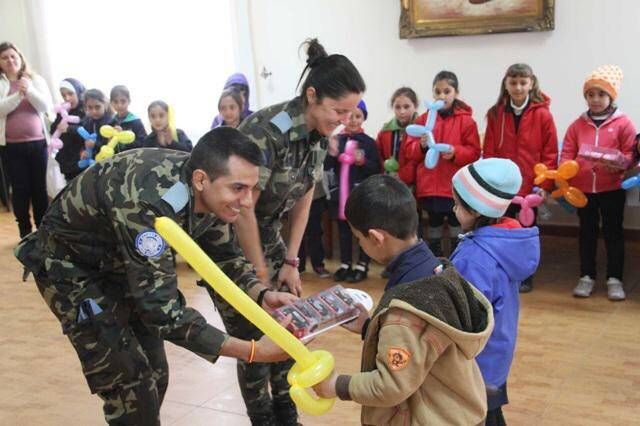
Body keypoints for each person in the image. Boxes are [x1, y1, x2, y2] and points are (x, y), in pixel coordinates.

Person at [14, 127, 296, 426]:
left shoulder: (209, 191)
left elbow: (225, 257)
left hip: (122, 264)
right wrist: (254, 351)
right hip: (71, 268)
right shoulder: (149, 204)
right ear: (201, 179)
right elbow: (164, 314)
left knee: (156, 373)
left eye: (251, 188)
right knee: (131, 384)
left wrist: (262, 295)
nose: (248, 201)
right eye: (238, 188)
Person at [205, 38, 365, 425]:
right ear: (312, 95)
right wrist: (259, 276)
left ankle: (286, 414)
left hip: (270, 239)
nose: (344, 119)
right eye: (338, 110)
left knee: (292, 331)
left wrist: (291, 260)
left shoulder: (317, 136)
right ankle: (264, 418)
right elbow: (241, 208)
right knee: (256, 341)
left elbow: (306, 193)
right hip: (230, 243)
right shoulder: (266, 132)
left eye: (351, 112)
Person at [313, 174, 494, 425]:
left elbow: (390, 385)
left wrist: (337, 385)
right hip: (456, 411)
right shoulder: (438, 270)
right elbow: (422, 345)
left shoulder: (405, 312)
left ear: (376, 237)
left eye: (359, 238)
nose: (360, 244)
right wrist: (368, 327)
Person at [450, 158, 541, 425]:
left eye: (457, 204)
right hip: (496, 358)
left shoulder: (475, 256)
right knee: (490, 414)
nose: (453, 209)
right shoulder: (505, 242)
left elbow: (462, 317)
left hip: (474, 365)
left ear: (476, 210)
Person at [560, 65, 637, 301]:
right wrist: (569, 170)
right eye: (590, 95)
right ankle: (587, 276)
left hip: (612, 189)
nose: (595, 99)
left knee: (614, 233)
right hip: (583, 191)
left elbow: (632, 155)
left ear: (611, 96)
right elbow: (566, 156)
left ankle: (615, 278)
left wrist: (619, 162)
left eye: (601, 94)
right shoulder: (576, 125)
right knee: (587, 233)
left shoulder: (624, 124)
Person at [482, 63, 558, 293]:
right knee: (501, 228)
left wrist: (543, 184)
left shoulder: (543, 115)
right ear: (506, 84)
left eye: (522, 83)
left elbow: (550, 153)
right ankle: (503, 269)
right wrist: (490, 183)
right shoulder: (495, 114)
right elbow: (490, 150)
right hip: (502, 186)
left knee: (525, 232)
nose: (518, 87)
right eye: (513, 82)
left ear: (531, 83)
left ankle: (525, 274)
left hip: (530, 187)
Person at [403, 71, 481, 256]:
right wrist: (421, 147)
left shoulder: (467, 121)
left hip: (455, 186)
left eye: (447, 91)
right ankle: (436, 260)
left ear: (456, 92)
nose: (442, 96)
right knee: (434, 223)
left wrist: (455, 153)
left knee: (457, 223)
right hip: (430, 186)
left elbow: (474, 152)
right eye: (437, 92)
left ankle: (457, 258)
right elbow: (409, 152)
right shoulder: (423, 119)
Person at [0, 41, 54, 237]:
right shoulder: (1, 84)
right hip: (11, 148)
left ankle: (42, 231)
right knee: (20, 191)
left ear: (20, 58)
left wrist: (28, 90)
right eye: (4, 57)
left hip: (38, 144)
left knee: (39, 189)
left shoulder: (35, 79)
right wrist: (18, 95)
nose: (10, 60)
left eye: (13, 56)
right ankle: (25, 231)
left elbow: (44, 106)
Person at [326, 99, 380, 282]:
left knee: (362, 231)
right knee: (343, 230)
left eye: (358, 116)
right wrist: (331, 154)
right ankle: (345, 264)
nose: (354, 120)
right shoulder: (337, 140)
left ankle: (362, 264)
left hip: (361, 196)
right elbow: (328, 167)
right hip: (340, 196)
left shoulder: (369, 143)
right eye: (350, 115)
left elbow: (375, 169)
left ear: (364, 118)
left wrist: (363, 161)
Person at [374, 86, 419, 184]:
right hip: (388, 182)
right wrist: (386, 171)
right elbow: (377, 153)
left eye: (406, 107)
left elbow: (418, 159)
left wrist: (400, 176)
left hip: (413, 186)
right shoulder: (385, 130)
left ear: (415, 106)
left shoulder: (420, 129)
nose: (402, 111)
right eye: (397, 107)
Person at [52, 77, 86, 182]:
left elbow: (88, 130)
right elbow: (53, 130)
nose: (67, 98)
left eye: (70, 94)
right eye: (63, 95)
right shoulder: (63, 111)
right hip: (66, 160)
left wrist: (69, 128)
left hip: (81, 159)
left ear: (79, 93)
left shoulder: (86, 110)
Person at [109, 84, 147, 149]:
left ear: (129, 101)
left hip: (133, 157)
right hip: (117, 158)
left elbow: (143, 142)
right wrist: (109, 141)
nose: (119, 105)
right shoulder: (111, 122)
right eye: (116, 102)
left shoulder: (136, 121)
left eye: (123, 101)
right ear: (111, 103)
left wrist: (122, 136)